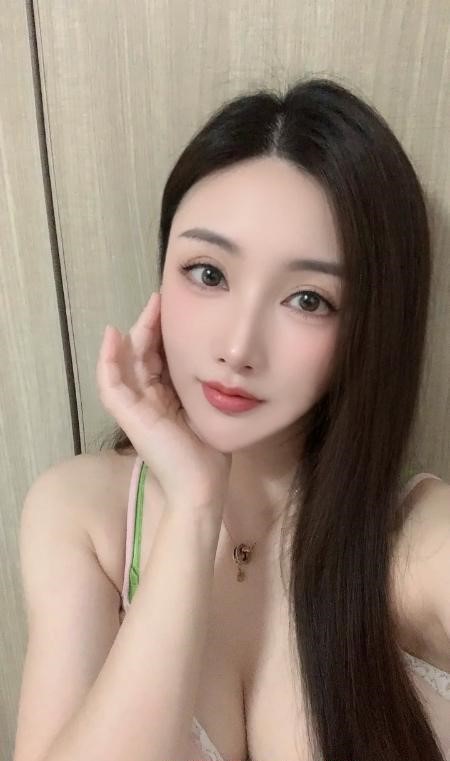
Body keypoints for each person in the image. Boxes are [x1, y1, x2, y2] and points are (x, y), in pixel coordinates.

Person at [13, 77, 450, 761]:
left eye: (308, 299)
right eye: (209, 273)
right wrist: (194, 507)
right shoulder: (83, 516)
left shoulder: (419, 542)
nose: (239, 348)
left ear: (370, 325)